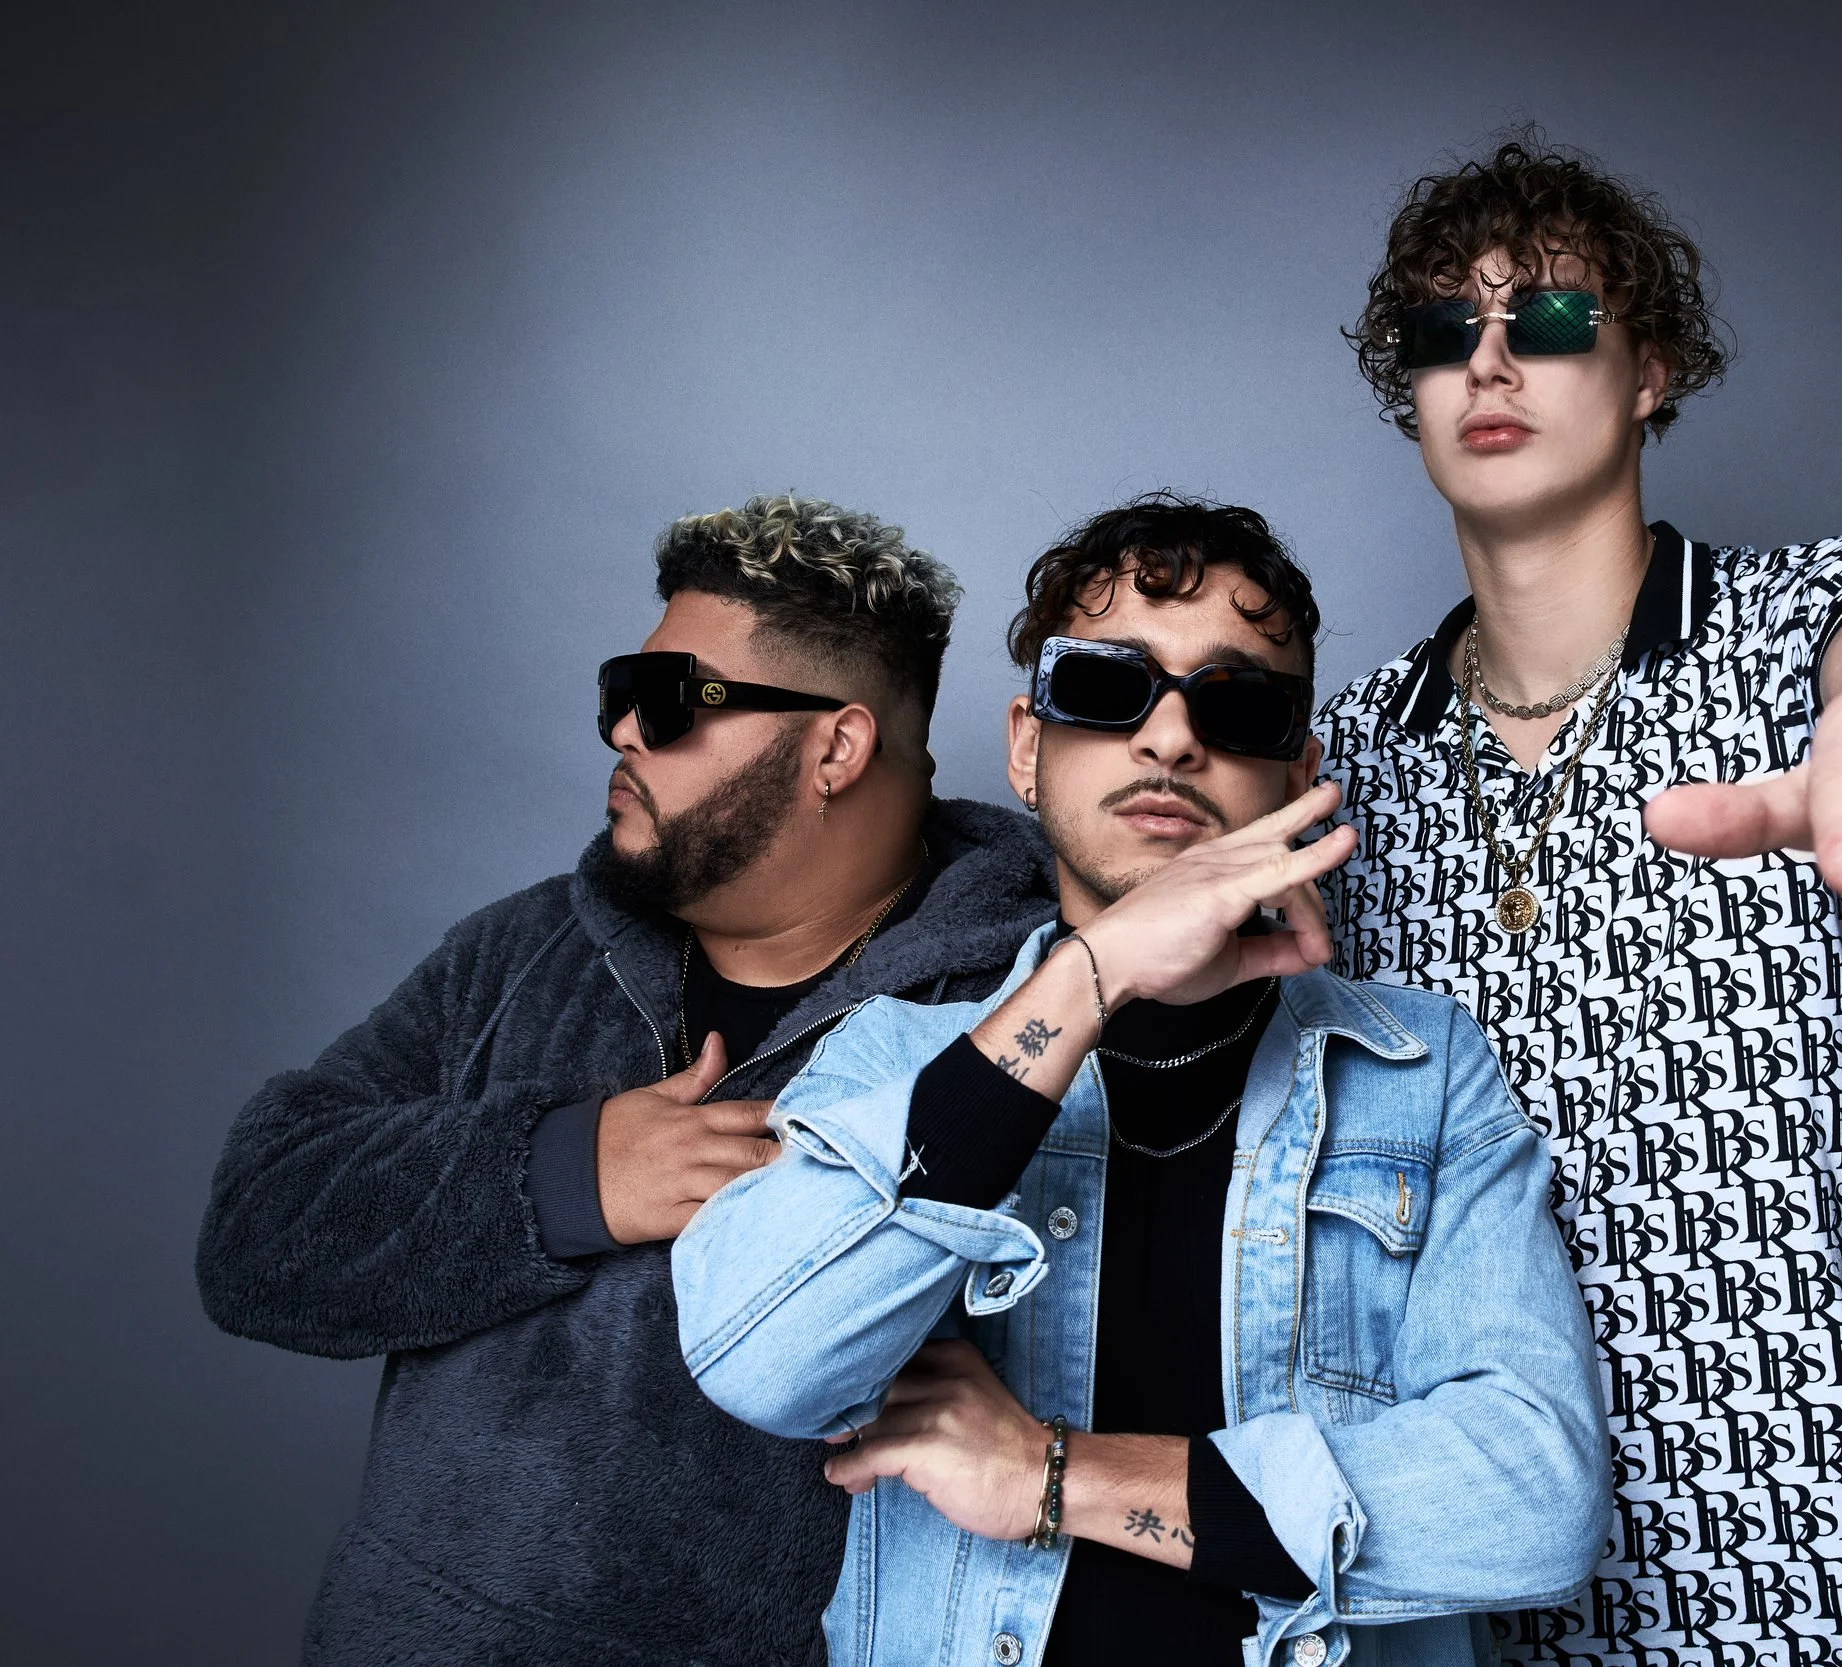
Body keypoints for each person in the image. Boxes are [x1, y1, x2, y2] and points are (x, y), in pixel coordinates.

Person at [1317, 138, 1842, 1666]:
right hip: (1457, 1562)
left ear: (1652, 370)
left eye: (1548, 318)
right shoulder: (1355, 748)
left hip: (1788, 1551)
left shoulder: (1780, 630)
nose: (1489, 358)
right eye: (1445, 329)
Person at [673, 495, 1610, 1667]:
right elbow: (760, 1359)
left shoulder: (1417, 1071)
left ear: (1298, 776)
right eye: (1106, 687)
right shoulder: (895, 1057)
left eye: (1236, 703)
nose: (1169, 738)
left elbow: (1534, 1498)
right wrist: (1099, 970)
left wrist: (1052, 1473)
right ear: (1026, 746)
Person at [196, 496, 1058, 1665]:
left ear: (836, 748)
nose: (621, 732)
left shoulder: (1024, 1004)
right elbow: (256, 1238)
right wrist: (564, 1172)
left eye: (668, 700)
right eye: (620, 691)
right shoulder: (524, 953)